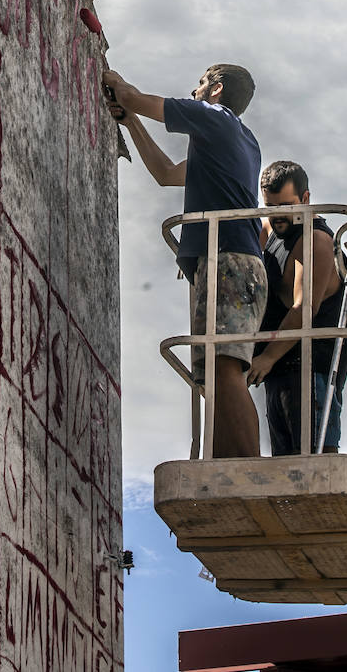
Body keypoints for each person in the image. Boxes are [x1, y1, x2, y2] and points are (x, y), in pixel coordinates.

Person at [102, 63, 266, 457]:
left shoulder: (216, 117)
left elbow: (136, 99)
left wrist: (113, 80)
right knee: (215, 376)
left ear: (216, 89)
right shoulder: (237, 142)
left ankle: (248, 470)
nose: (194, 90)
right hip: (230, 263)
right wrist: (131, 124)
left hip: (229, 260)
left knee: (225, 371)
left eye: (201, 83)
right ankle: (228, 468)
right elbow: (165, 174)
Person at [247, 160, 347, 455]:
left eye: (286, 206)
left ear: (305, 199)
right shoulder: (271, 225)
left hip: (311, 368)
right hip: (278, 369)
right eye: (270, 206)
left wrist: (266, 357)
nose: (278, 215)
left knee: (314, 461)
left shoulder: (316, 241)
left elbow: (305, 308)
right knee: (284, 467)